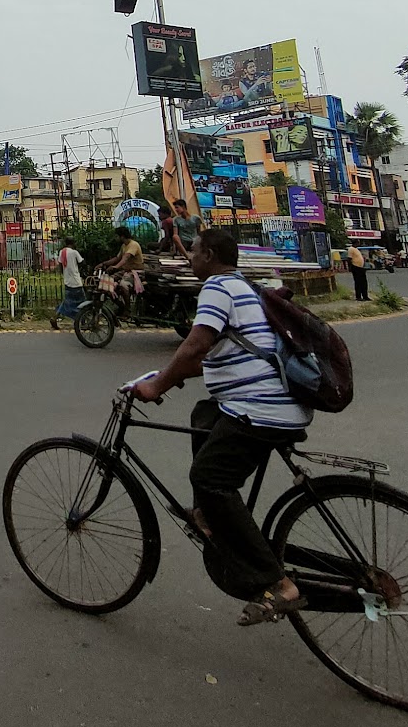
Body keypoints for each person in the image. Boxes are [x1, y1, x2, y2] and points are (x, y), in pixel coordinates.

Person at [131, 229, 312, 626]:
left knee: (210, 477)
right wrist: (166, 376)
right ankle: (207, 514)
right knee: (203, 416)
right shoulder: (243, 286)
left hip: (261, 410)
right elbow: (211, 360)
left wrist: (157, 385)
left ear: (209, 255)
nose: (188, 258)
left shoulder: (217, 287)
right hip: (269, 404)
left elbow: (196, 345)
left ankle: (278, 584)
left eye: (193, 252)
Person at [97, 227, 144, 310]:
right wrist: (103, 264)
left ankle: (128, 309)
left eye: (117, 236)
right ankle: (120, 306)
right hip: (125, 271)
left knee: (123, 285)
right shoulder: (124, 246)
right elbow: (117, 258)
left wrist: (115, 267)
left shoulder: (133, 245)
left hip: (135, 272)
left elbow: (125, 258)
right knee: (107, 283)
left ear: (122, 236)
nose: (115, 238)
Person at [50, 238, 85, 330]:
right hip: (76, 281)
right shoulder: (74, 252)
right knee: (83, 301)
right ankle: (83, 320)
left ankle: (55, 316)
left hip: (67, 281)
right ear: (73, 243)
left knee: (67, 301)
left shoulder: (62, 252)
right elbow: (82, 263)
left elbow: (60, 265)